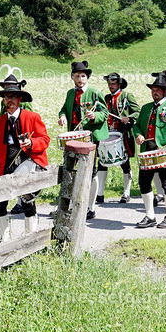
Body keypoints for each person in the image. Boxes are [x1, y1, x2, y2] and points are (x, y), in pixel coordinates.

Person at [0, 74, 50, 240]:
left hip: (26, 163)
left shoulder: (32, 117)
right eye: (7, 97)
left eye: (13, 96)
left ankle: (30, 238)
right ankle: (4, 242)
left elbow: (45, 140)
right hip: (4, 166)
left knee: (28, 201)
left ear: (20, 99)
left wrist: (31, 143)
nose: (10, 100)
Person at [133, 74, 166, 229]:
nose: (154, 92)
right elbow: (136, 125)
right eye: (153, 89)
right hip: (147, 151)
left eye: (158, 90)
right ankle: (150, 215)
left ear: (165, 92)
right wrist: (138, 135)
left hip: (164, 151)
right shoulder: (145, 108)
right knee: (143, 182)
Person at [58, 61, 108, 219]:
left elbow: (105, 113)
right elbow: (64, 108)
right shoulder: (70, 93)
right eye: (77, 76)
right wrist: (62, 116)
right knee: (71, 169)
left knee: (91, 171)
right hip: (73, 137)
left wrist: (95, 116)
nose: (80, 79)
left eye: (83, 76)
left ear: (87, 78)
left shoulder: (94, 92)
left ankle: (90, 207)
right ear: (72, 77)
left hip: (90, 136)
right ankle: (71, 204)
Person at [102, 72, 140, 204]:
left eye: (113, 84)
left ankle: (126, 192)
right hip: (108, 134)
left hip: (123, 134)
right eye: (109, 84)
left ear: (119, 84)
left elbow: (138, 112)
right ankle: (100, 194)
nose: (110, 86)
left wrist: (128, 118)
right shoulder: (106, 98)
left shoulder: (126, 96)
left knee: (125, 163)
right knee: (102, 162)